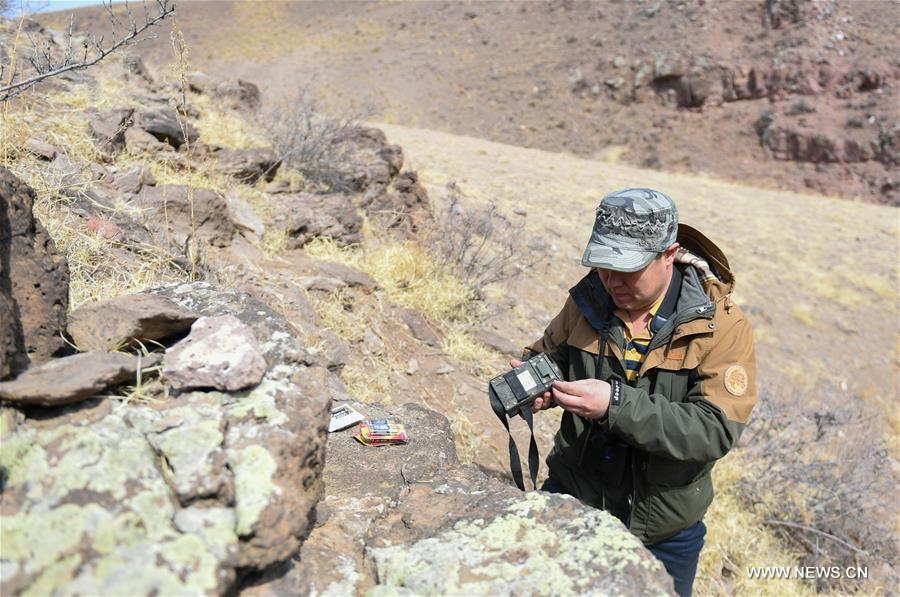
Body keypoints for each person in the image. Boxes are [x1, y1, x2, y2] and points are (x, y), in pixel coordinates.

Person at [517, 188, 757, 597]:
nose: (612, 282)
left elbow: (713, 430)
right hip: (573, 501)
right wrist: (536, 382)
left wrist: (614, 403)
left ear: (669, 254)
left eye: (627, 269)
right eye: (604, 266)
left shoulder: (721, 326)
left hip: (662, 531)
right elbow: (551, 355)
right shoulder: (589, 299)